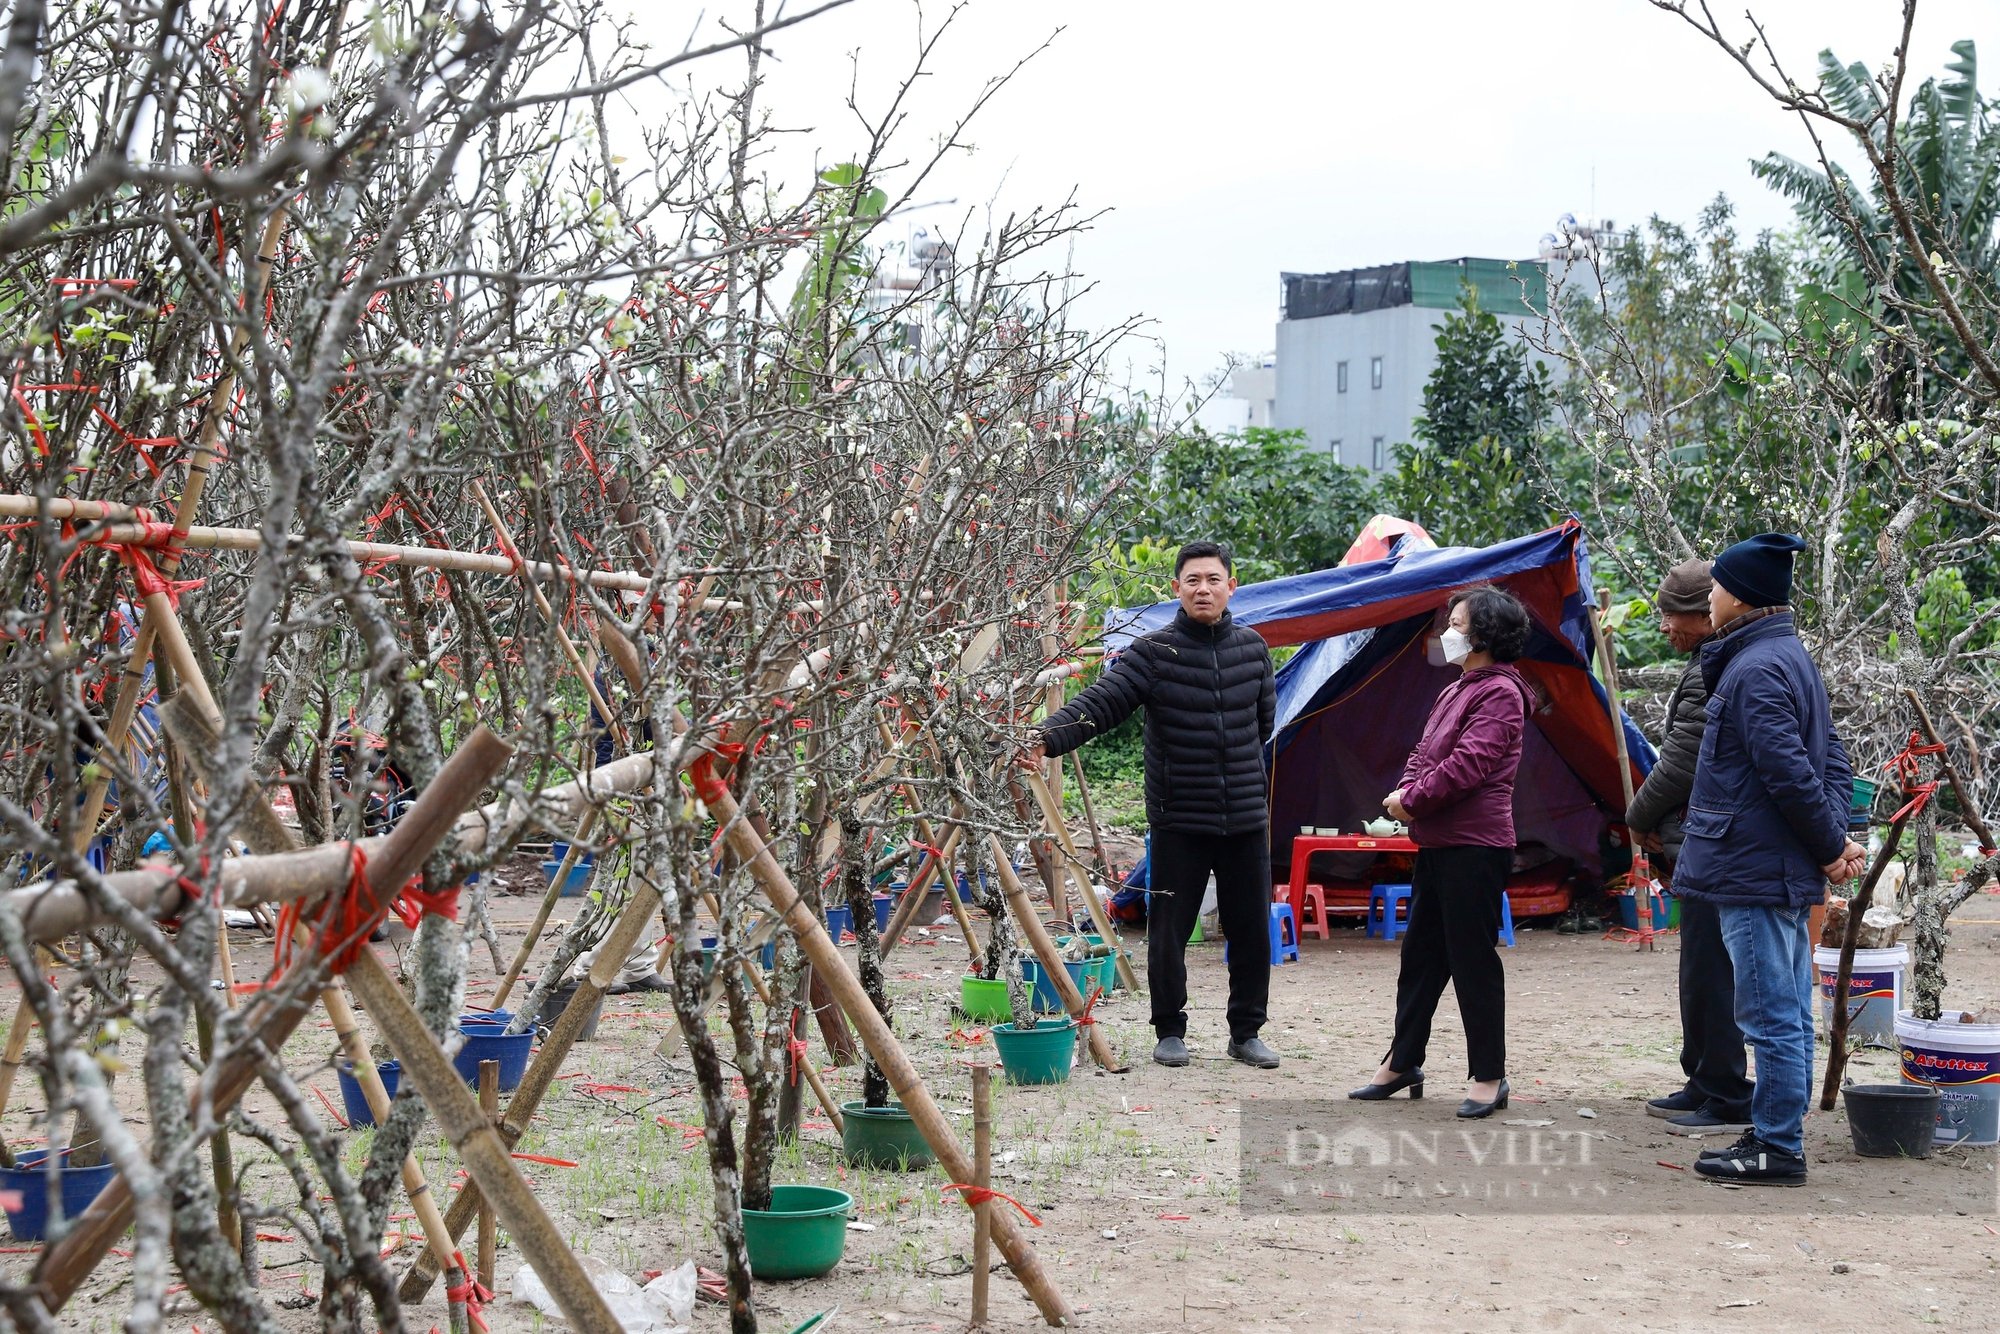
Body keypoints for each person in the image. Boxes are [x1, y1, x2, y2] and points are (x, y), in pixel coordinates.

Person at [1022, 540, 1279, 1069]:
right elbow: (1102, 703)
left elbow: (1263, 726)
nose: (1203, 589)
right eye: (1193, 581)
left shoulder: (1254, 650)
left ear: (1232, 586)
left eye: (1213, 579)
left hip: (1247, 818)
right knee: (1168, 929)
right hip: (1179, 816)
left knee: (1252, 929)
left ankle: (1247, 1031)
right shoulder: (1153, 653)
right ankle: (1169, 1030)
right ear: (1176, 589)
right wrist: (1046, 737)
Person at [1674, 534, 1864, 1186]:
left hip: (1754, 868)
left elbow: (1790, 774)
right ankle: (1771, 1132)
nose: (1711, 596)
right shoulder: (1786, 658)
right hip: (1769, 864)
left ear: (1742, 596)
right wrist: (1834, 840)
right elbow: (1831, 759)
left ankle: (1778, 1146)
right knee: (1785, 1006)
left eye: (1718, 586)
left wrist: (1830, 846)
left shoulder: (1756, 670)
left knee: (1770, 1012)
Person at [1350, 585, 1532, 1118]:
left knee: (1471, 960)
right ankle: (1403, 1061)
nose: (1445, 633)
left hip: (1476, 846)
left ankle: (1489, 1075)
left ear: (1482, 635)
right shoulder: (1457, 688)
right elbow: (1423, 753)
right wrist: (1404, 796)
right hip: (1437, 842)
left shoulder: (1500, 691)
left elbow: (1470, 765)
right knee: (1421, 958)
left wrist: (1414, 800)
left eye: (1456, 623)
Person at [1626, 561, 1756, 1138]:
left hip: (1717, 841)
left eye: (1669, 615)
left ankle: (1725, 1091)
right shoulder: (1707, 661)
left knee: (1712, 969)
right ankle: (1704, 1080)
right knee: (1699, 966)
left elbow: (1682, 760)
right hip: (1700, 836)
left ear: (1704, 613)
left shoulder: (1716, 668)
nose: (1663, 628)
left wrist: (1637, 818)